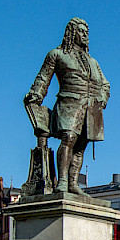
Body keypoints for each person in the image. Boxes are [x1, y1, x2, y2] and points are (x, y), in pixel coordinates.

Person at [25, 17, 111, 195]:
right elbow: (43, 78)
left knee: (81, 146)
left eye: (87, 32)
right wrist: (36, 94)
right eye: (81, 31)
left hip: (91, 108)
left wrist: (102, 98)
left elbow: (105, 84)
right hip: (69, 103)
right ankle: (62, 181)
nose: (85, 35)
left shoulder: (93, 62)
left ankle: (73, 183)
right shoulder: (57, 54)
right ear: (72, 33)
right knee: (69, 139)